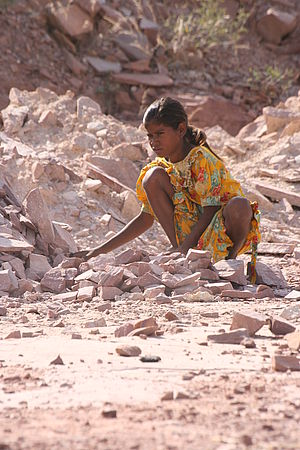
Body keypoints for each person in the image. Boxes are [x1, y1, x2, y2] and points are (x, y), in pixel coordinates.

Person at [76, 97, 261, 282]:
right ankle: (181, 251)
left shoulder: (201, 159)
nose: (153, 141)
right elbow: (146, 218)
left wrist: (187, 247)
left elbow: (211, 208)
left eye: (160, 134)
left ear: (180, 130)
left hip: (220, 228)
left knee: (240, 205)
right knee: (152, 177)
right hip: (191, 237)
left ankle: (229, 263)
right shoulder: (162, 167)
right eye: (150, 136)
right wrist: (97, 251)